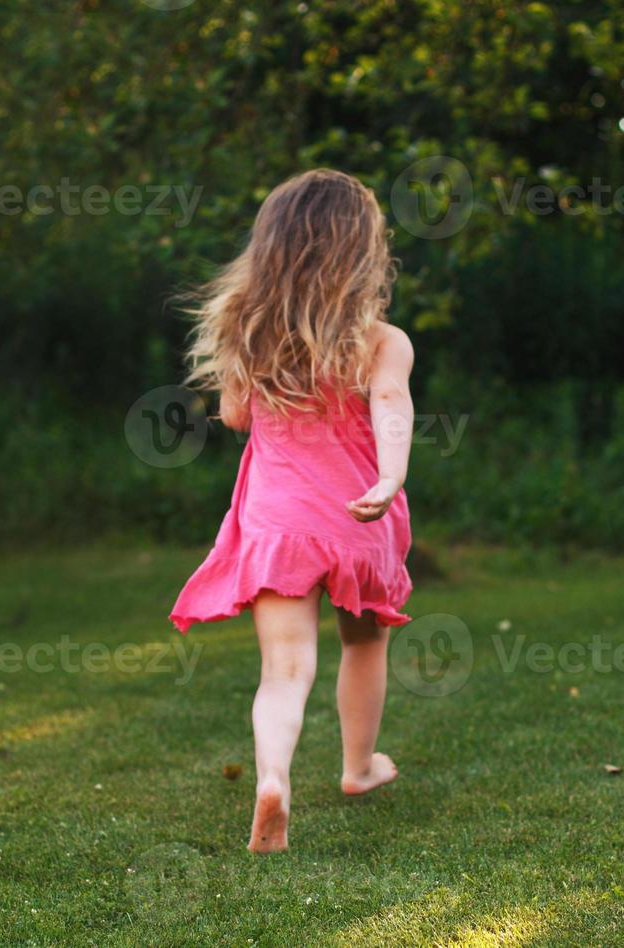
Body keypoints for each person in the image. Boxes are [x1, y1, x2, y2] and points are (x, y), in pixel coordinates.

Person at [169, 169, 414, 853]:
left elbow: (235, 416)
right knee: (364, 642)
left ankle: (273, 778)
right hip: (356, 517)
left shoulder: (250, 337)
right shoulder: (382, 341)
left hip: (277, 525)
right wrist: (391, 476)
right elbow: (391, 405)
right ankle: (358, 768)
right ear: (363, 253)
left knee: (284, 670)